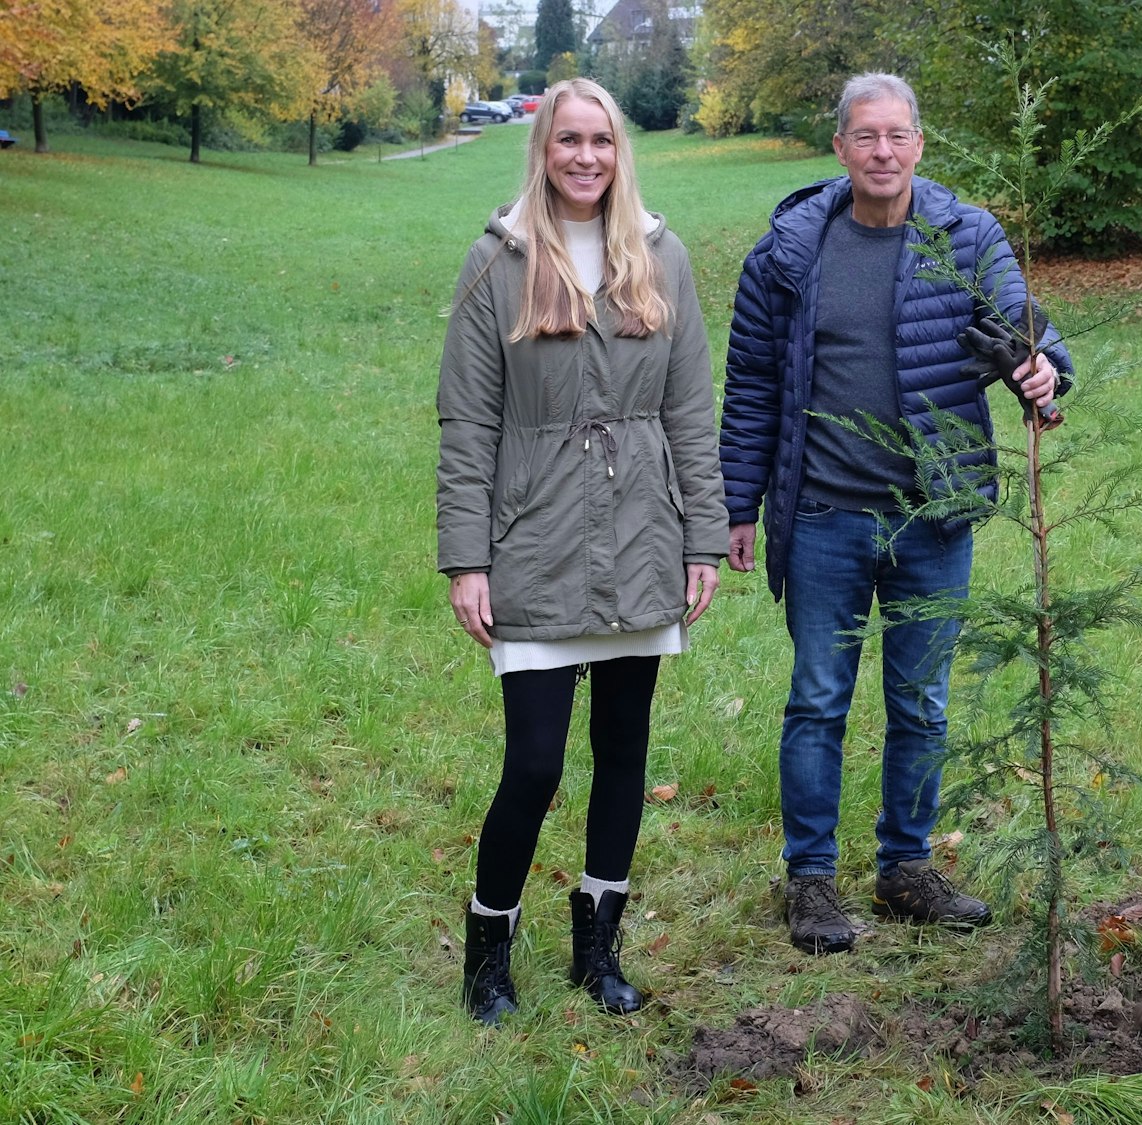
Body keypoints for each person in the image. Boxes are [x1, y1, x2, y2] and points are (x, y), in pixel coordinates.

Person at [718, 72, 1071, 955]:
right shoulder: (790, 252)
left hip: (934, 517)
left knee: (922, 702)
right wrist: (737, 505)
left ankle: (905, 868)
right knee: (818, 699)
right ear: (838, 147)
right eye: (865, 136)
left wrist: (1044, 372)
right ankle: (810, 879)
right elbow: (752, 388)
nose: (883, 152)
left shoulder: (966, 235)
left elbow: (1031, 335)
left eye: (898, 136)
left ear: (920, 145)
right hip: (826, 513)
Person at [435, 78, 728, 1024]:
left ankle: (597, 947)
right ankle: (489, 949)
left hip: (643, 534)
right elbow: (468, 422)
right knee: (534, 764)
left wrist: (703, 539)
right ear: (543, 148)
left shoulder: (664, 254)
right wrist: (467, 559)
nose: (587, 158)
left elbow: (690, 410)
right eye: (569, 140)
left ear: (620, 149)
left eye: (602, 140)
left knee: (623, 754)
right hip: (536, 539)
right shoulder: (499, 260)